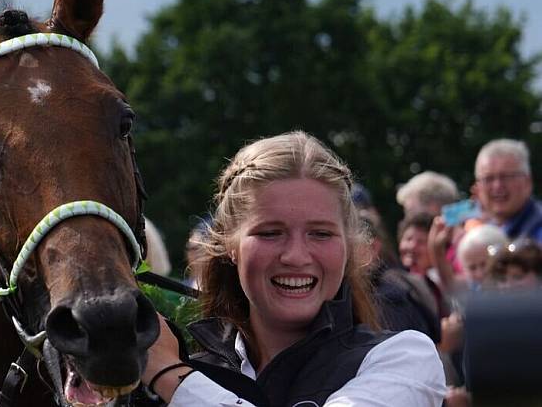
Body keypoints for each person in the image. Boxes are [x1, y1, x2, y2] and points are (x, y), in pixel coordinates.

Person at [141, 131, 445, 405]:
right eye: (270, 233)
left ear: (348, 246)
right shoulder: (183, 376)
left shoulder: (404, 357)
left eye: (321, 233)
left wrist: (171, 376)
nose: (296, 256)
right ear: (230, 246)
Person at [472, 138, 542, 242]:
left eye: (506, 177)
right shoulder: (476, 236)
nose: (497, 186)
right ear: (477, 187)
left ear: (527, 182)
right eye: (488, 178)